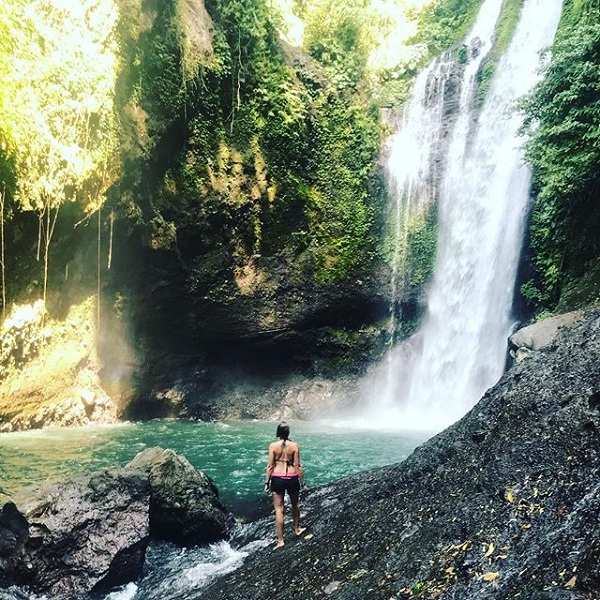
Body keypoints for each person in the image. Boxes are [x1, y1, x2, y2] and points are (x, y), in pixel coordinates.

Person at [264, 421, 307, 549]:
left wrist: (267, 482)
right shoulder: (294, 445)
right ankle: (297, 529)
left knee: (279, 509)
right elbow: (298, 466)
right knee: (295, 504)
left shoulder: (273, 446)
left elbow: (270, 466)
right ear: (288, 433)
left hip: (277, 478)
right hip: (292, 477)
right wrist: (303, 483)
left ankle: (280, 540)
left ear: (278, 433)